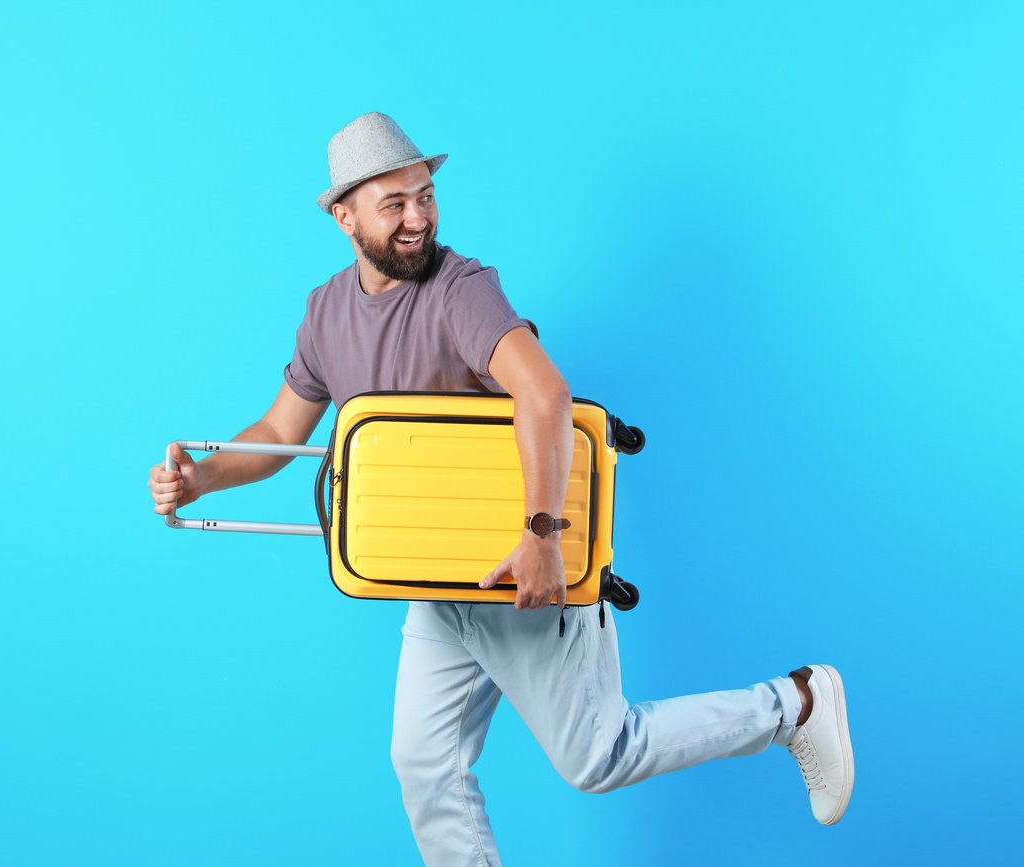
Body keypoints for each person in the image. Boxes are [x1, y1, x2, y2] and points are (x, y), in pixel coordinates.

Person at [149, 112, 854, 865]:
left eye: (426, 195)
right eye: (395, 204)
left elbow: (545, 393)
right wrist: (205, 477)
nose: (419, 217)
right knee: (425, 766)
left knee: (598, 756)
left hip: (516, 567)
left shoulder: (462, 289)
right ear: (342, 213)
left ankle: (796, 704)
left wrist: (544, 536)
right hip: (434, 580)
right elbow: (283, 431)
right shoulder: (325, 311)